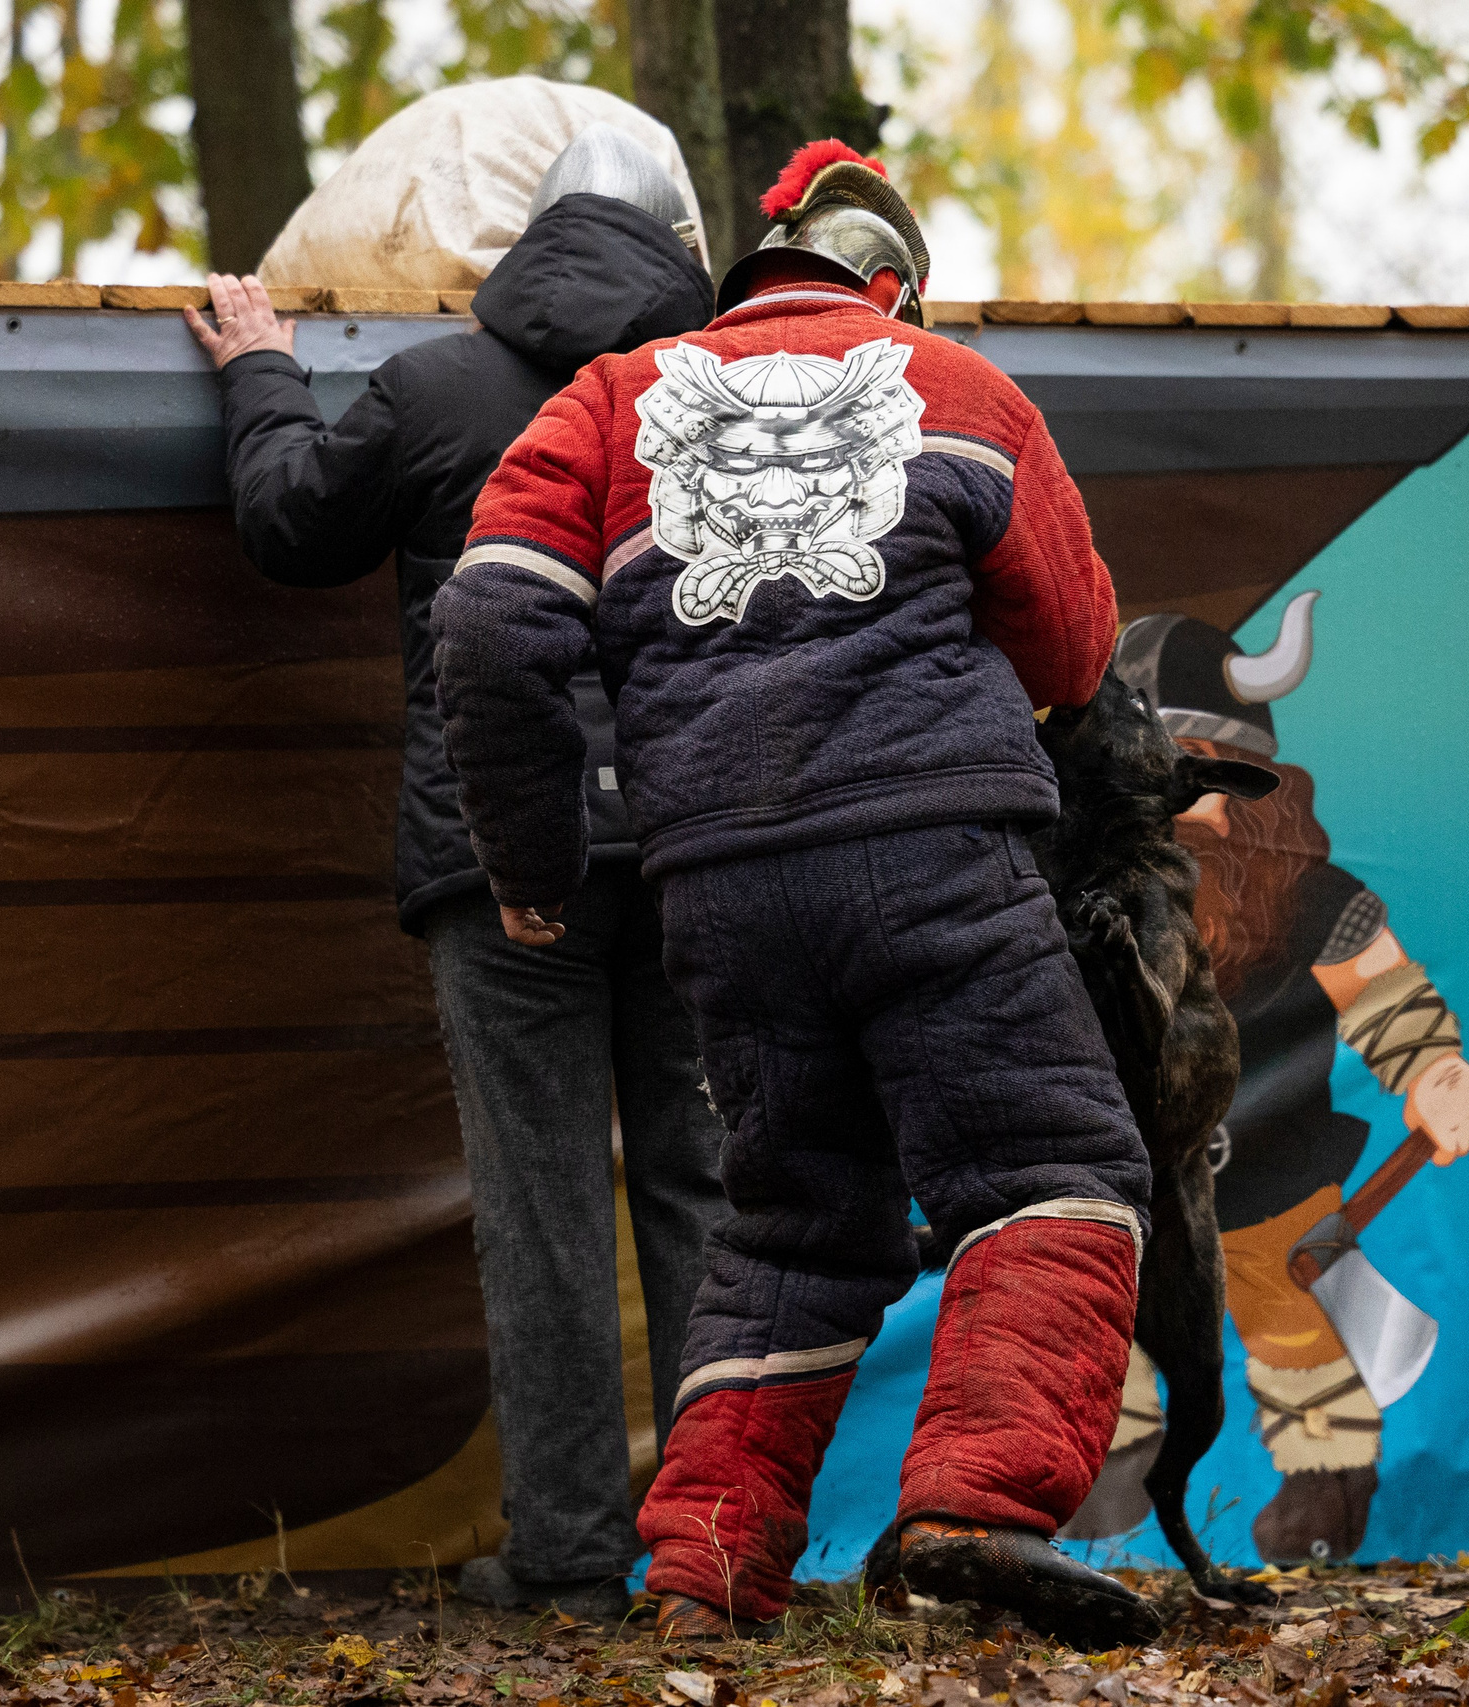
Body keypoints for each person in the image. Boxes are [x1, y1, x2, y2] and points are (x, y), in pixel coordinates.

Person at [432, 139, 1162, 1647]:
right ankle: (972, 1501)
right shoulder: (958, 393)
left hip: (719, 889)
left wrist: (533, 862)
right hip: (936, 855)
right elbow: (1080, 652)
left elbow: (494, 619)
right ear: (888, 285)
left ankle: (704, 1575)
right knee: (1054, 1171)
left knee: (791, 1230)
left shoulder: (607, 400)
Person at [185, 122, 731, 1623]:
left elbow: (293, 523)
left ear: (523, 242)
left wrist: (259, 370)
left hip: (502, 858)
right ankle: (718, 1550)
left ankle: (563, 1551)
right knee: (707, 1193)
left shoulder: (437, 388)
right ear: (686, 247)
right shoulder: (729, 408)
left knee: (544, 1202)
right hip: (697, 858)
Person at [1117, 603, 1469, 1564]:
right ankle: (1097, 1472)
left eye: (1194, 764)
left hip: (1274, 1190)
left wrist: (1438, 1073)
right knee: (1087, 1324)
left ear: (1253, 779)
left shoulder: (1314, 902)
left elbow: (1388, 1000)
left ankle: (1326, 1489)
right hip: (1120, 1191)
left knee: (1297, 1335)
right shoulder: (1081, 896)